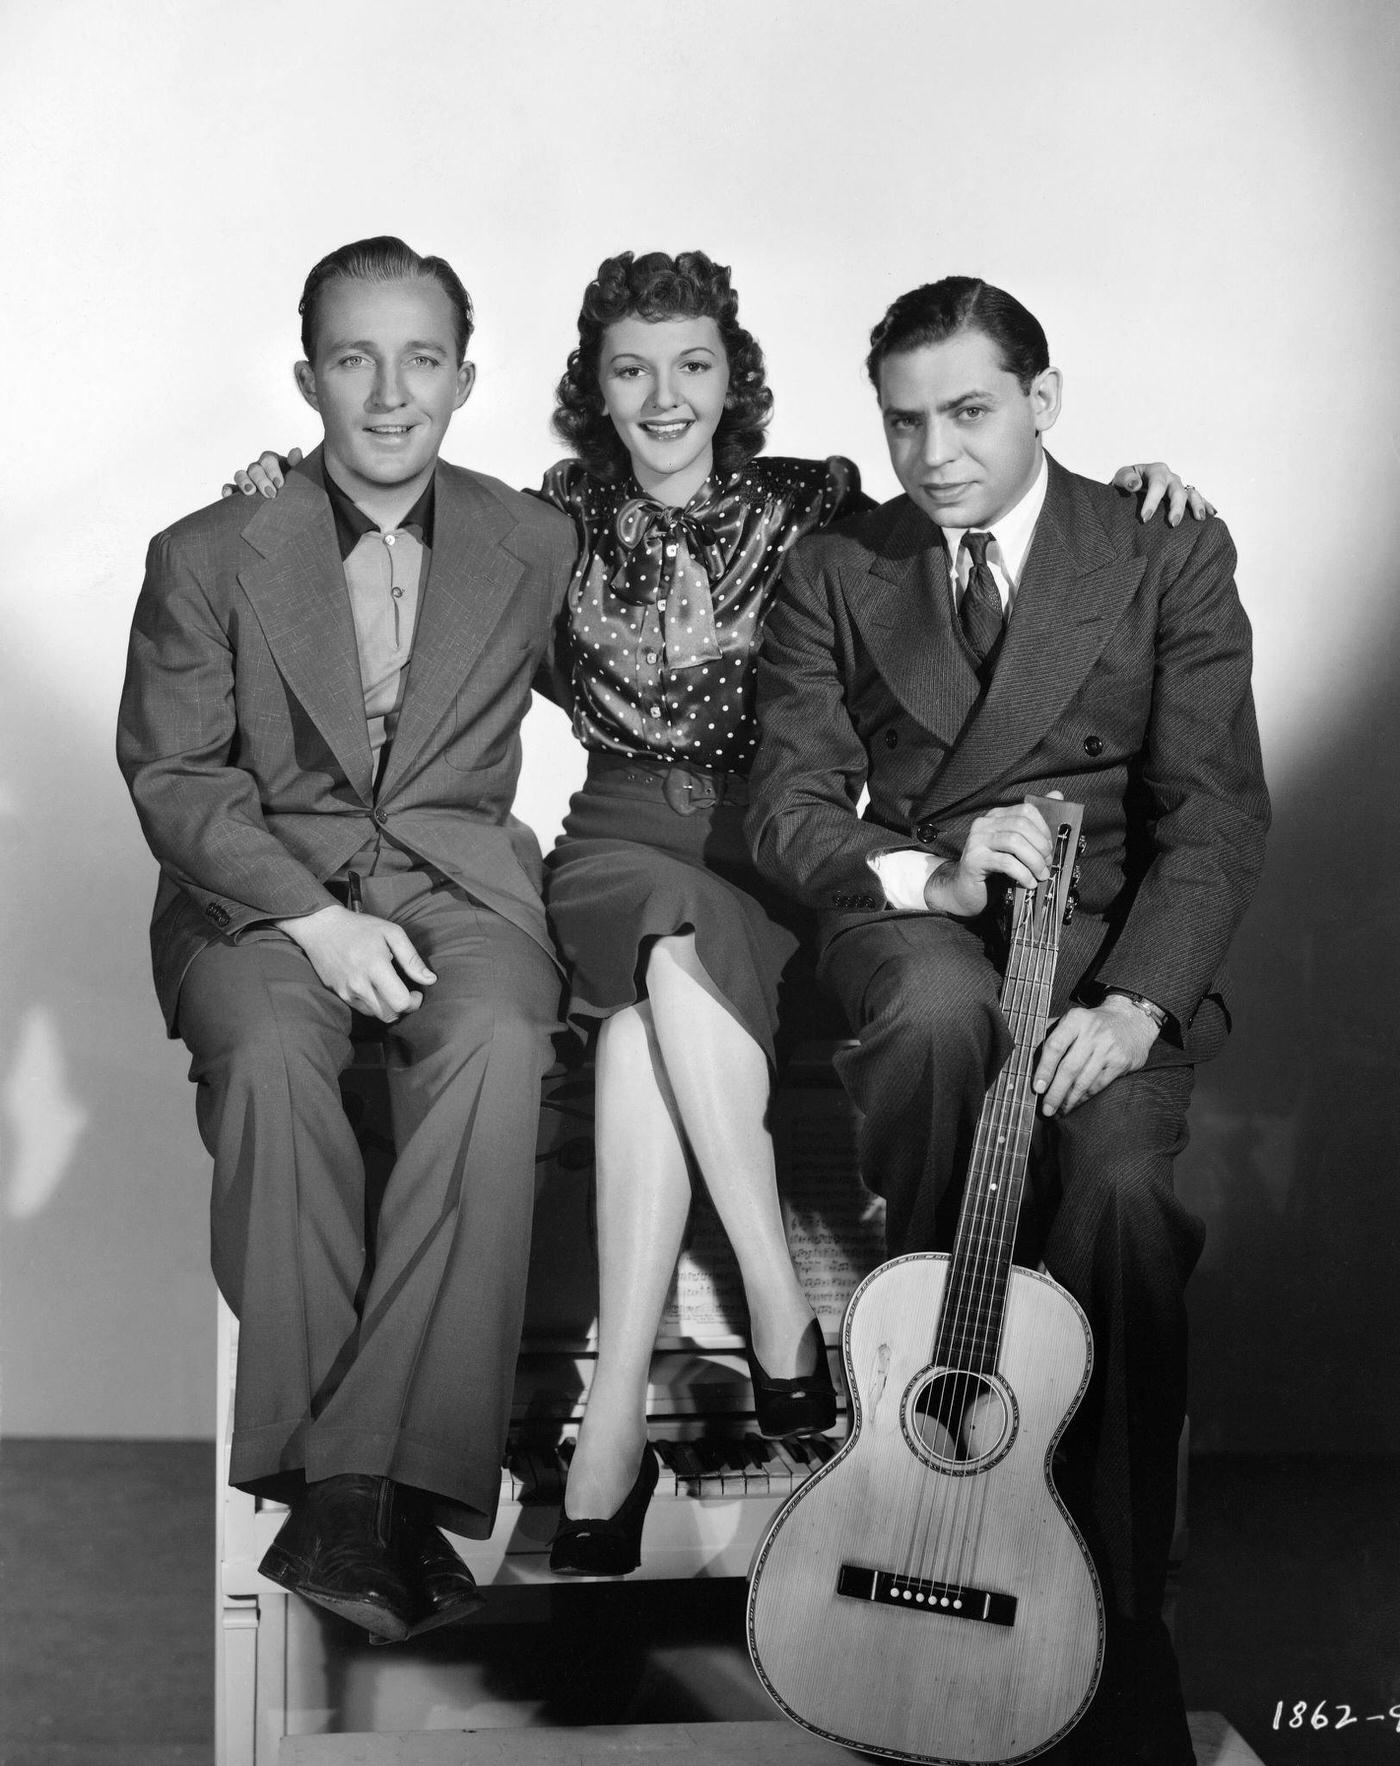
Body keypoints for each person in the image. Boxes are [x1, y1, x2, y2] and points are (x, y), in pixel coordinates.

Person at [225, 249, 1208, 1580]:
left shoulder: (822, 505)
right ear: (595, 387)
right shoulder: (547, 515)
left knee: (639, 1041)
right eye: (632, 368)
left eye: (692, 363)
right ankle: (780, 1317)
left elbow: (987, 508)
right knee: (666, 933)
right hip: (620, 843)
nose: (665, 394)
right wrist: (287, 486)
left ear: (733, 374)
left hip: (774, 850)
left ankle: (611, 1431)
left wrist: (1131, 485)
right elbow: (391, 514)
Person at [746, 276, 1269, 1763]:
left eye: (969, 412)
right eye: (903, 421)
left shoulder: (1162, 545)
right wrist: (930, 866)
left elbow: (1215, 813)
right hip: (926, 915)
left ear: (1044, 401)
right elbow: (786, 802)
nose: (933, 453)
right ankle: (934, 1437)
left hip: (1111, 945)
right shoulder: (837, 566)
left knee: (1116, 1185)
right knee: (927, 1015)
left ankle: (1114, 1606)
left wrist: (1138, 1002)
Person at [117, 236, 577, 1643]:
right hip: (261, 890)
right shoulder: (208, 548)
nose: (389, 393)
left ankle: (345, 1489)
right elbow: (176, 775)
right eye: (356, 357)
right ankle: (373, 1489)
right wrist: (313, 919)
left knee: (500, 1038)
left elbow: (686, 640)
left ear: (467, 377)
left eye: (421, 357)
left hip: (460, 886)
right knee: (265, 1059)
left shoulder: (538, 538)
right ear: (306, 371)